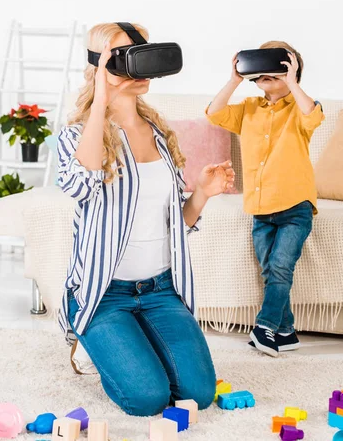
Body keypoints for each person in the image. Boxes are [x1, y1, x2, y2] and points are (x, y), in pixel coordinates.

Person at [57, 22, 235, 415]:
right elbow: (78, 186)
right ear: (99, 65)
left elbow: (175, 228)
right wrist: (102, 102)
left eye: (142, 52)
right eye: (124, 58)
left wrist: (202, 194)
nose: (139, 67)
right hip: (104, 295)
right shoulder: (76, 135)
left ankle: (135, 340)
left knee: (198, 395)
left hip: (160, 290)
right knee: (146, 399)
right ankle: (89, 340)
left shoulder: (158, 133)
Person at [206, 41, 325, 357]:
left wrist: (293, 83)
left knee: (281, 267)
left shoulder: (301, 109)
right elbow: (214, 113)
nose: (264, 81)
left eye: (274, 76)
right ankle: (286, 332)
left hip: (295, 206)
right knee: (271, 270)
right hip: (260, 209)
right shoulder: (248, 109)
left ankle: (264, 326)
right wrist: (234, 79)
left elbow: (313, 116)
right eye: (260, 76)